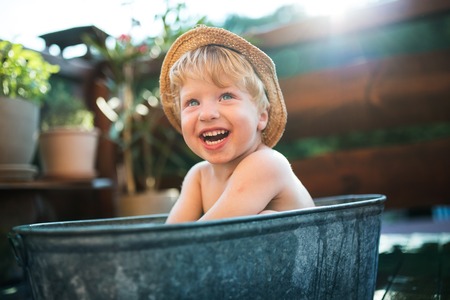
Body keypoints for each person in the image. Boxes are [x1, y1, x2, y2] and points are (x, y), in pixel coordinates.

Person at [159, 25, 314, 224]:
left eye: (226, 96)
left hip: (304, 254)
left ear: (261, 117)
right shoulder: (198, 177)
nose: (207, 114)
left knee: (266, 220)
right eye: (193, 102)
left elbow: (202, 236)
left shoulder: (266, 164)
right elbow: (171, 238)